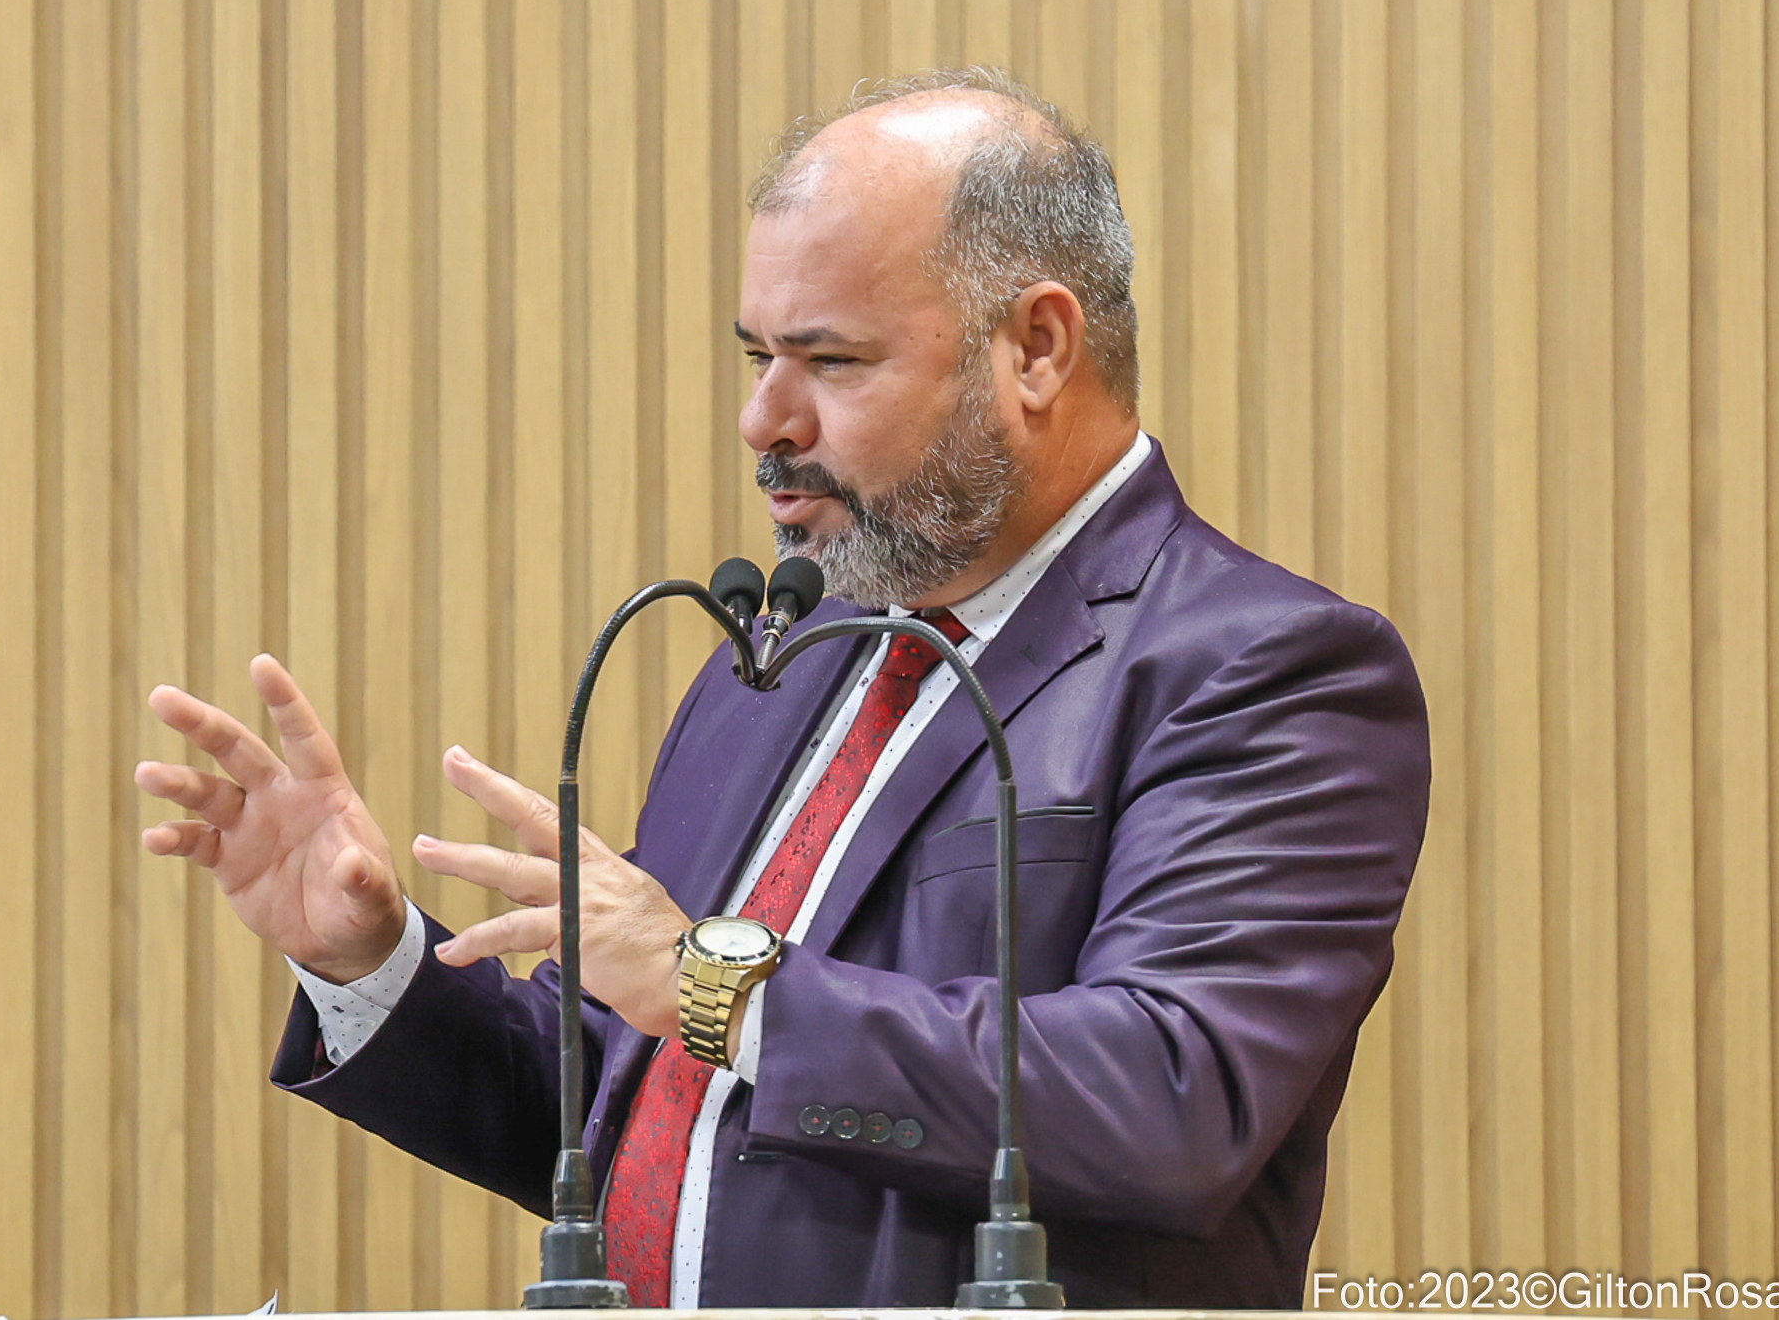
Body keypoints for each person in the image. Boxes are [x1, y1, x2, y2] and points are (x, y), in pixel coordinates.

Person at [135, 68, 1428, 1309]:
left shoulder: (1262, 670)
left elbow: (1169, 1098)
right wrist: (373, 959)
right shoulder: (781, 658)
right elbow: (628, 1118)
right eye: (757, 354)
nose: (765, 420)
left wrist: (717, 982)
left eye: (832, 361)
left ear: (1036, 349)